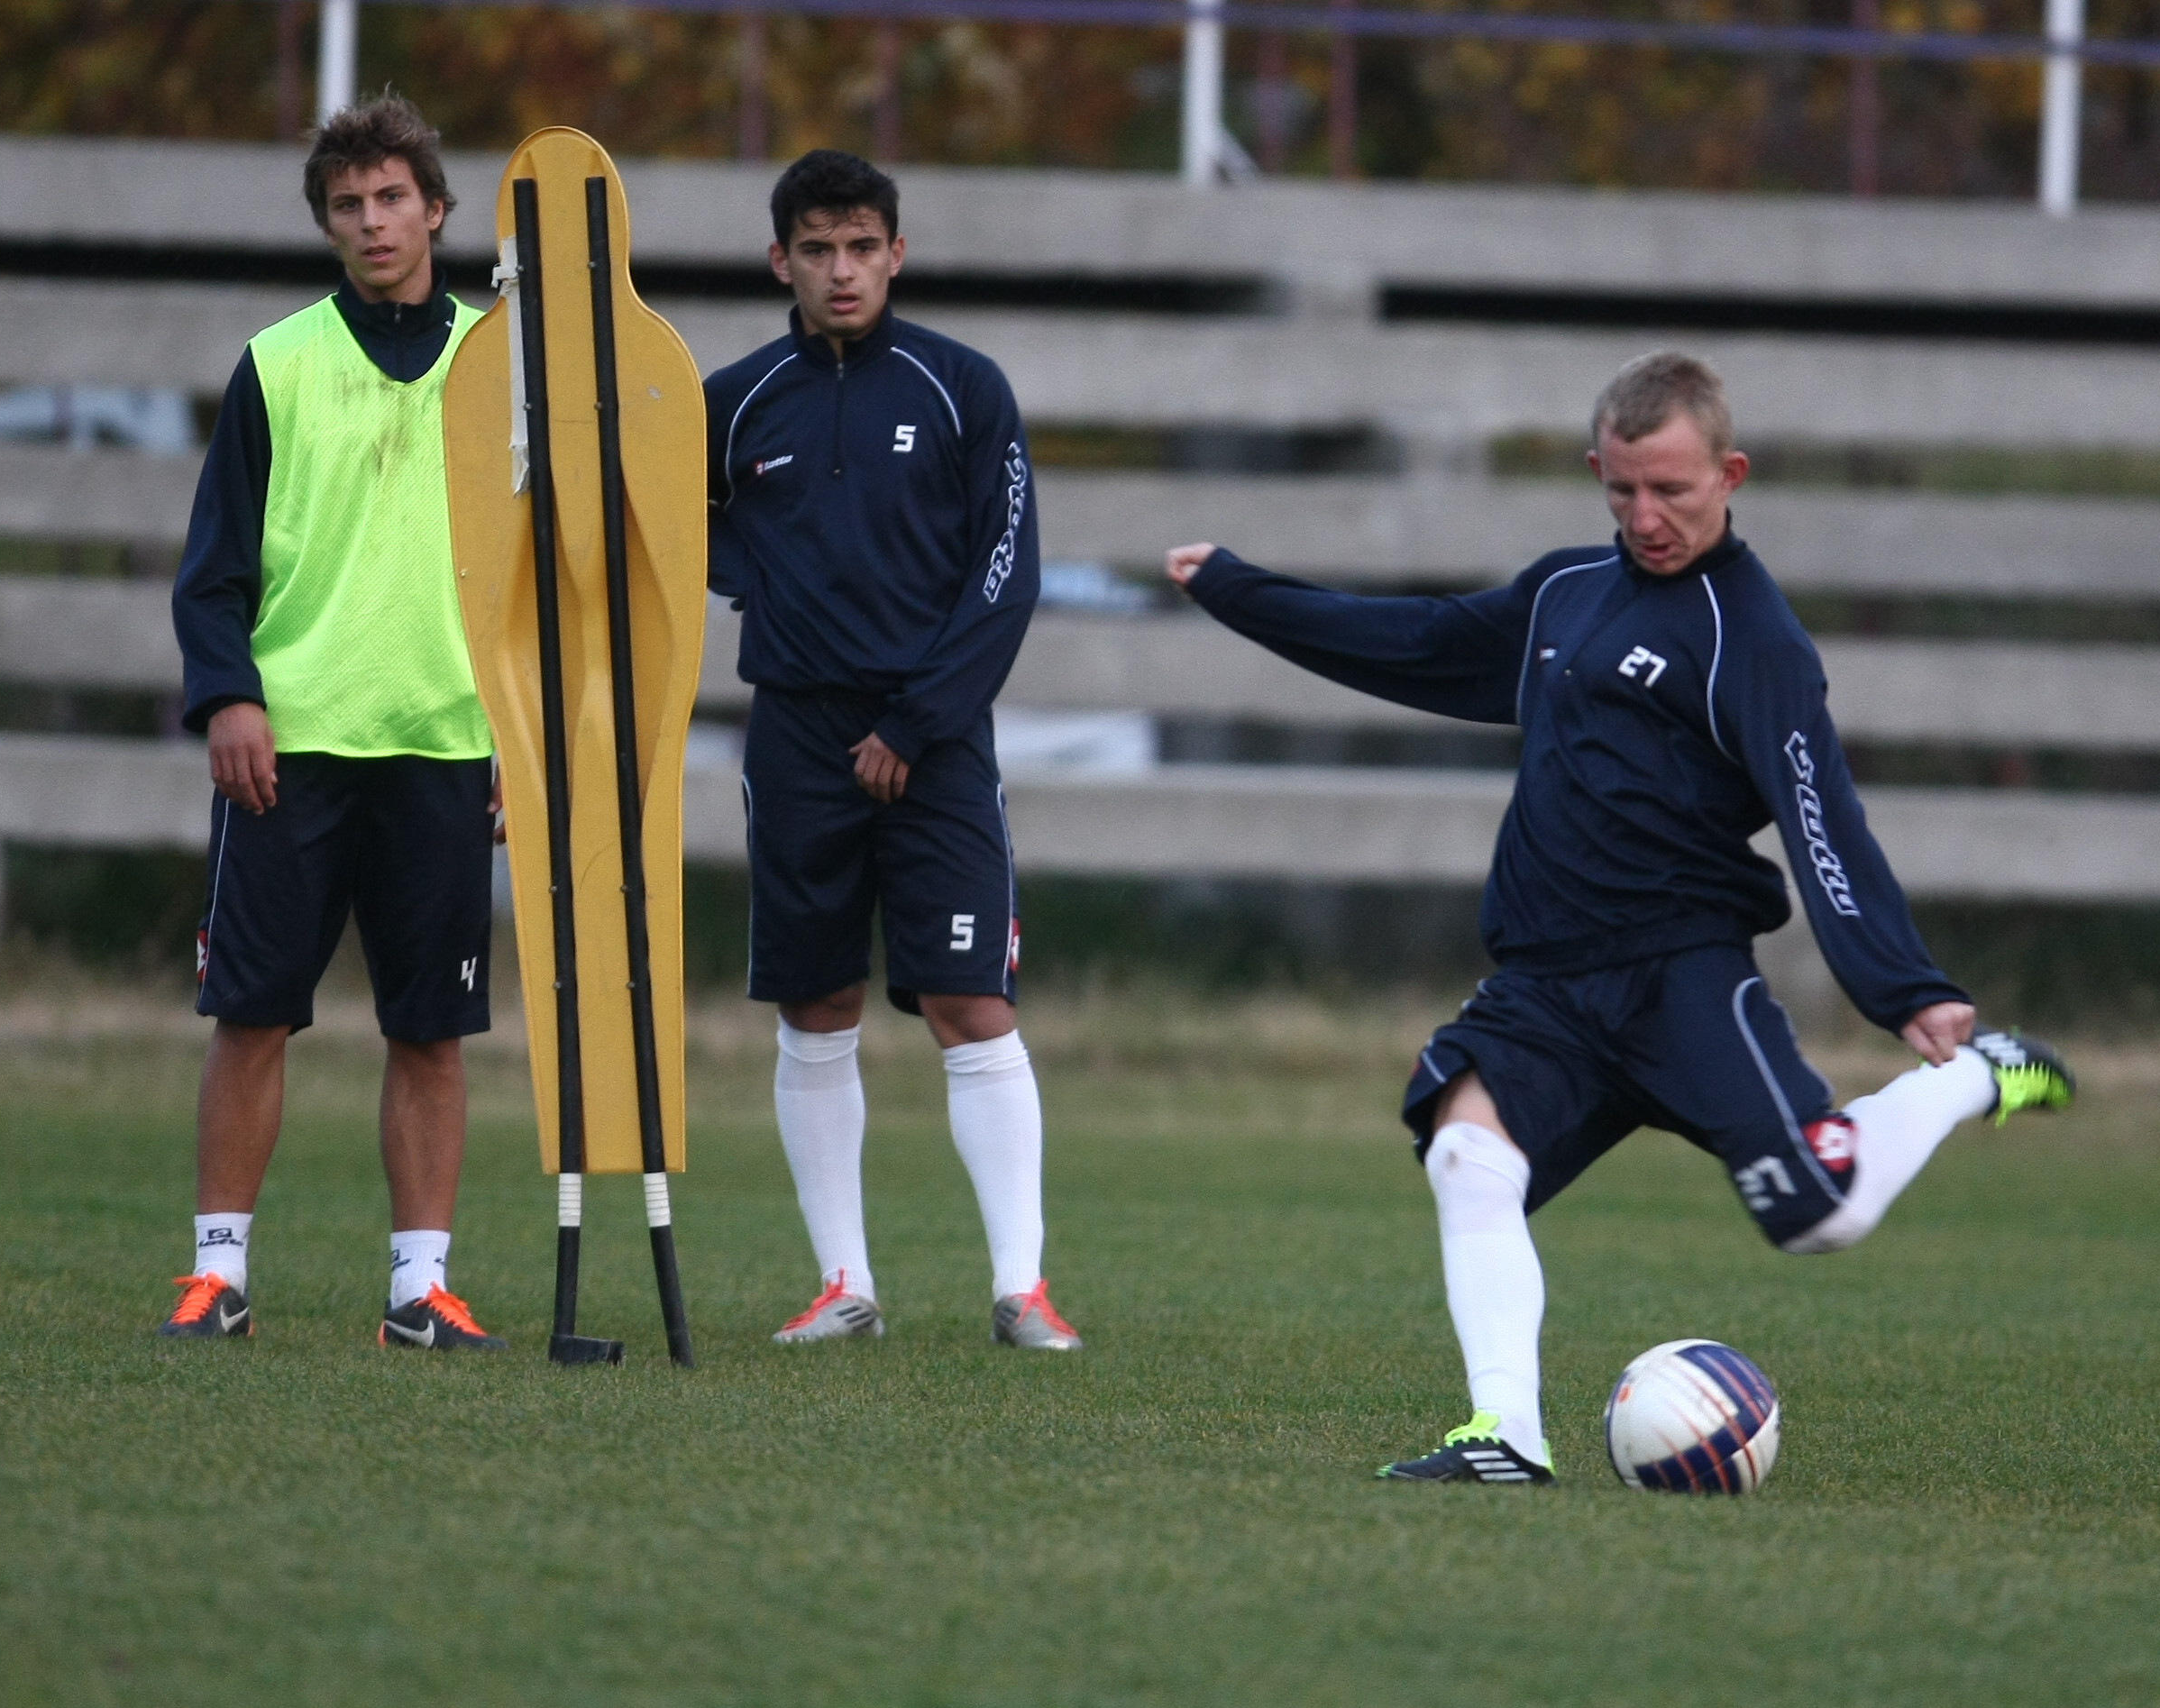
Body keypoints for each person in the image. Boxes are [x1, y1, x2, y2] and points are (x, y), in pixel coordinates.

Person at [1165, 352, 2073, 1482]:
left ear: (1730, 474)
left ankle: (1976, 1077)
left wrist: (1905, 986)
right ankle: (1505, 1433)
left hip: (1678, 977)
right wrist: (1240, 591)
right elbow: (1422, 644)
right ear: (1596, 468)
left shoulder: (1752, 638)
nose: (1646, 516)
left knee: (1819, 1213)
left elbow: (1820, 814)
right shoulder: (1566, 593)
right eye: (1622, 489)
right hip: (1548, 982)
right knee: (1467, 1152)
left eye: (1672, 490)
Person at [703, 150, 1079, 1351]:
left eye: (862, 247)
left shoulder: (965, 387)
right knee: (815, 1003)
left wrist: (917, 721)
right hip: (796, 734)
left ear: (897, 253)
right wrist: (755, 578)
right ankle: (843, 1283)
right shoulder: (732, 401)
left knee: (970, 1000)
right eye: (817, 249)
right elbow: (662, 528)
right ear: (781, 261)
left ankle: (1021, 1288)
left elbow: (1007, 573)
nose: (842, 270)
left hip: (937, 738)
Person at [160, 96, 504, 1352]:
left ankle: (421, 1290)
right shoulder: (278, 363)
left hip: (446, 742)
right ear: (327, 225)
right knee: (250, 1012)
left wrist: (525, 738)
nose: (372, 221)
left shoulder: (501, 368)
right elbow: (212, 568)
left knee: (431, 1028)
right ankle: (217, 1276)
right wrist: (229, 694)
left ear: (437, 210)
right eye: (348, 205)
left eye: (392, 197)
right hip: (291, 746)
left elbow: (542, 579)